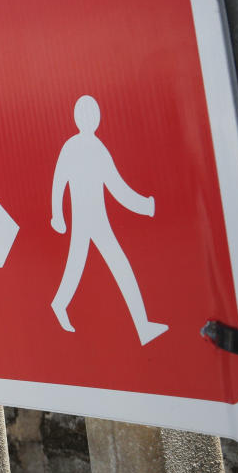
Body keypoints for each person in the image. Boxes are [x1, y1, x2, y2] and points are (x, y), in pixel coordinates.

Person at [49, 95, 167, 346]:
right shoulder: (71, 147)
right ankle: (60, 304)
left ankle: (143, 325)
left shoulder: (98, 148)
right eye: (87, 113)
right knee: (94, 266)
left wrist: (144, 206)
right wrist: (57, 215)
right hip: (84, 221)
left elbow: (116, 185)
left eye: (94, 113)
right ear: (79, 118)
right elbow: (59, 181)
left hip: (97, 219)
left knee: (100, 266)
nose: (92, 118)